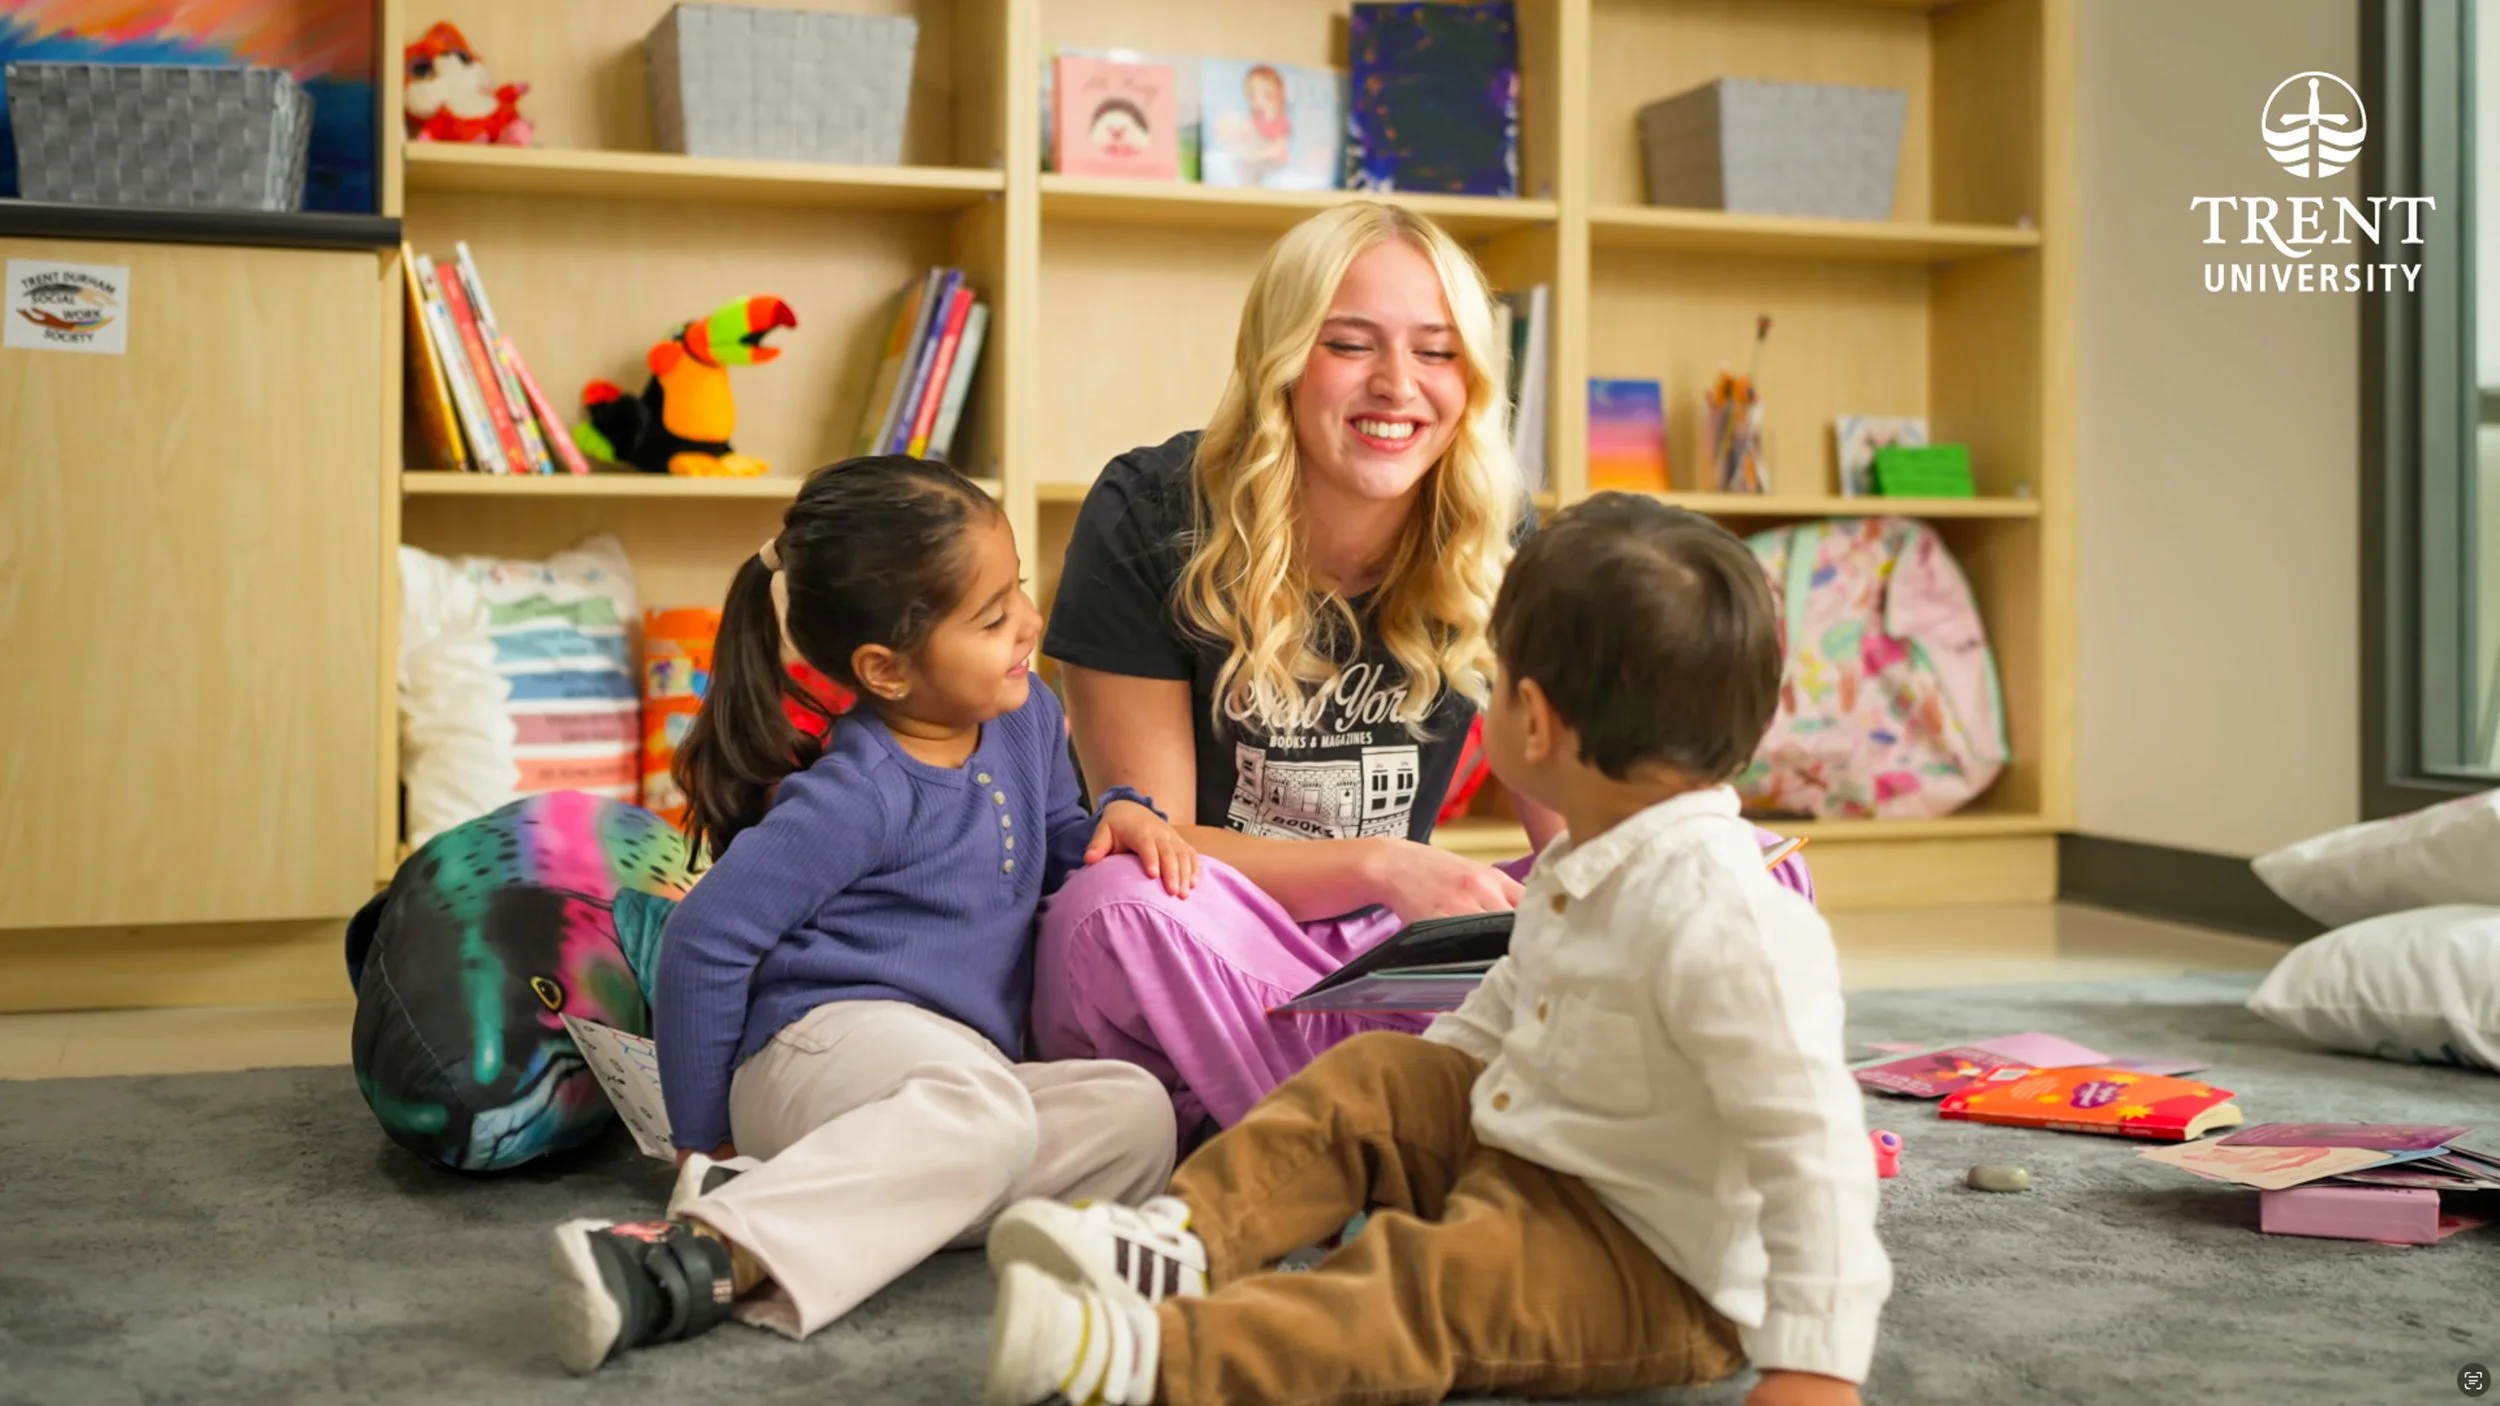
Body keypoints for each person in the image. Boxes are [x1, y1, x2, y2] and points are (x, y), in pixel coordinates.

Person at [978, 495, 1892, 1406]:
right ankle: (1183, 1242)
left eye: (1495, 673)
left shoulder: (1729, 917)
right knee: (1375, 1079)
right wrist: (1415, 1111)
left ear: (1533, 719)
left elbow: (1816, 1149)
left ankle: (1146, 1359)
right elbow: (1507, 1002)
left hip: (1647, 1265)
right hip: (1534, 1142)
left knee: (1424, 1289)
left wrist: (1814, 1367)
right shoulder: (1593, 855)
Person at [1034, 199, 1816, 1142]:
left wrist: (1662, 884)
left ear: (1472, 376)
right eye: (1350, 345)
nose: (1398, 386)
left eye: (1438, 353)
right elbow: (1157, 844)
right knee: (1112, 912)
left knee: (1735, 870)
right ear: (1283, 357)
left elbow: (1580, 832)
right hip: (1213, 941)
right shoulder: (1150, 512)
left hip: (1394, 957)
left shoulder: (1491, 524)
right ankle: (1437, 1128)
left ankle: (1334, 1121)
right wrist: (1384, 863)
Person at [544, 456, 1200, 1374]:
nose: (1029, 621)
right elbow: (704, 939)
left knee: (1135, 1115)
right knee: (983, 1114)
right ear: (885, 670)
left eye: (1018, 588)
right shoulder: (856, 794)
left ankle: (834, 1209)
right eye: (992, 618)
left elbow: (1057, 839)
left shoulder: (1026, 717)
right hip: (816, 1051)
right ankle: (696, 1248)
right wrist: (702, 1141)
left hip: (949, 1075)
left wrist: (1117, 815)